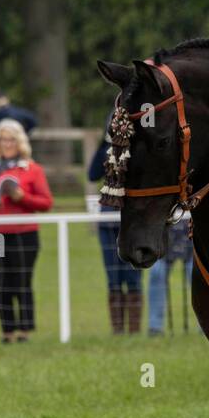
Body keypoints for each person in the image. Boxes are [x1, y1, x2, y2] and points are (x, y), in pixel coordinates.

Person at [0, 118, 53, 343]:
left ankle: (24, 330)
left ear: (20, 142)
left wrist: (22, 197)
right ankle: (6, 330)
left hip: (23, 232)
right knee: (1, 280)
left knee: (22, 280)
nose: (7, 144)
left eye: (11, 140)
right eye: (3, 140)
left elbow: (46, 202)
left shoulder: (32, 169)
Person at [88, 135, 144, 334]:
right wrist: (104, 144)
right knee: (113, 277)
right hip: (108, 222)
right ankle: (118, 329)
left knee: (133, 277)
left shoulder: (138, 149)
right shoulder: (106, 150)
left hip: (132, 222)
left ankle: (134, 329)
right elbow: (92, 174)